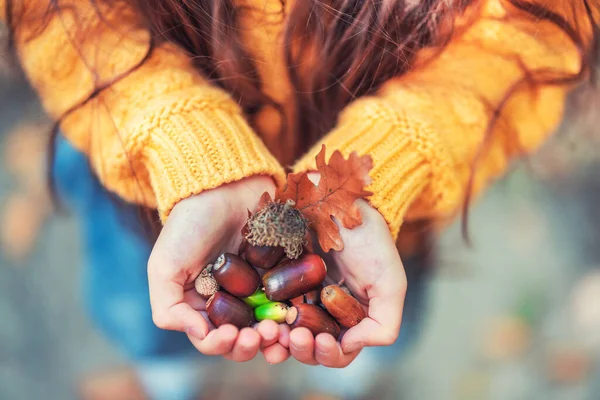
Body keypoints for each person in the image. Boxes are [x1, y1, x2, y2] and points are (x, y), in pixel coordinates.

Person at [2, 0, 598, 399]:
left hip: (383, 224)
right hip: (145, 188)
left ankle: (349, 371)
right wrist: (182, 147)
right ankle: (166, 370)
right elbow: (70, 20)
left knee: (367, 324)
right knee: (145, 310)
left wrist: (390, 158)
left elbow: (521, 41)